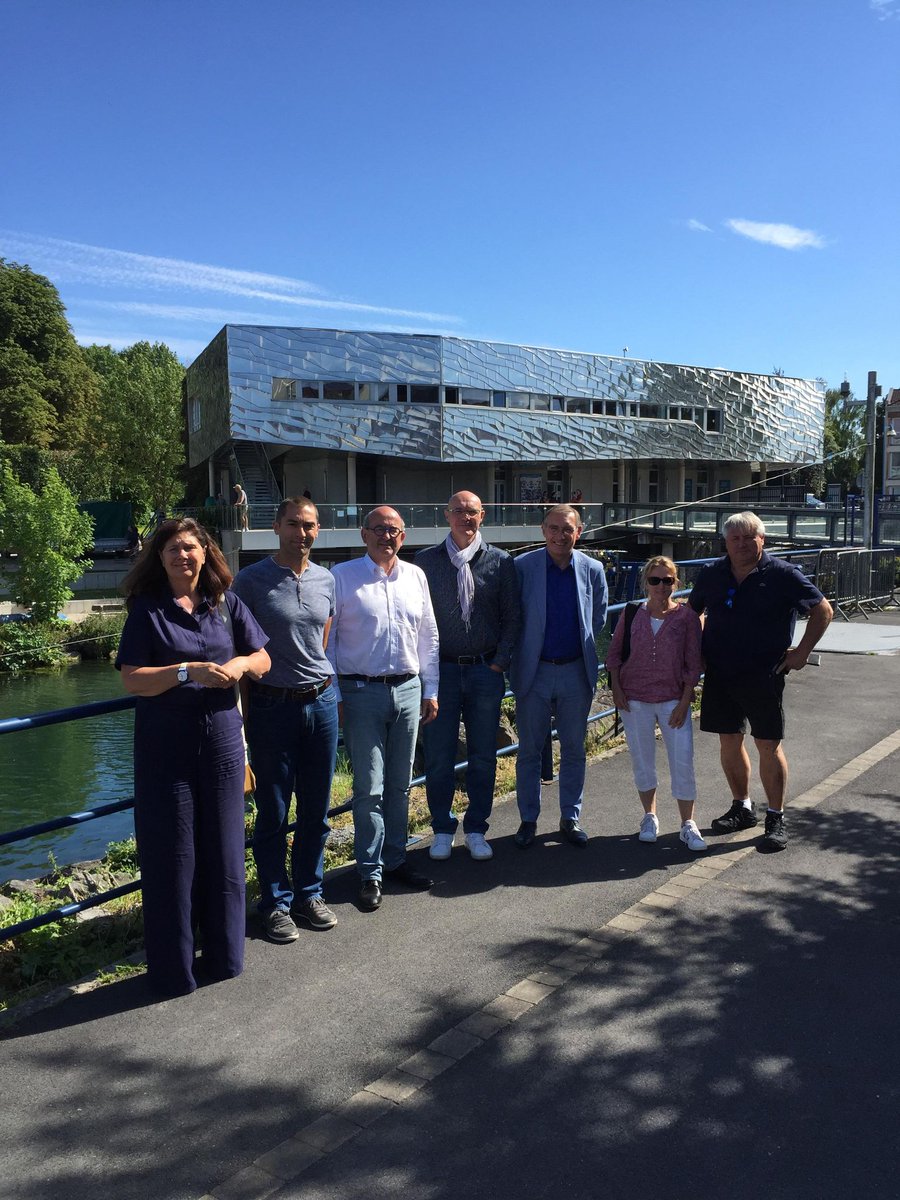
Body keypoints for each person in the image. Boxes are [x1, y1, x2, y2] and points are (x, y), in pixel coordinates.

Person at [115, 518, 270, 996]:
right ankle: (173, 972)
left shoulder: (225, 603)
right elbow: (133, 678)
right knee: (172, 856)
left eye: (190, 548)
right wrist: (187, 672)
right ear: (159, 558)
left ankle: (225, 957)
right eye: (172, 549)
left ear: (206, 553)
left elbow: (263, 658)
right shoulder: (148, 610)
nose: (183, 556)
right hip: (167, 748)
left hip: (223, 741)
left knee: (225, 851)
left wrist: (242, 663)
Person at [689, 511, 833, 851]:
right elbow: (692, 612)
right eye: (734, 538)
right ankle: (742, 807)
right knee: (729, 740)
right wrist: (695, 649)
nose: (740, 544)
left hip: (764, 674)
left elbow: (822, 609)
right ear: (725, 542)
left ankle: (776, 816)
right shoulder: (712, 573)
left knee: (768, 744)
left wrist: (801, 652)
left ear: (761, 539)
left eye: (748, 537)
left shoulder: (782, 574)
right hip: (721, 673)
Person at [231, 499, 339, 944]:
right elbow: (238, 645)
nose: (302, 532)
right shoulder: (251, 580)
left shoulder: (326, 579)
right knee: (274, 811)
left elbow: (322, 638)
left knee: (316, 808)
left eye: (310, 525)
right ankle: (274, 902)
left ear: (318, 530)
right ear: (276, 526)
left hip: (322, 701)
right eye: (293, 523)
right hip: (273, 707)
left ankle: (309, 894)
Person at [327, 506, 440, 911]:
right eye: (378, 529)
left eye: (393, 530)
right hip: (361, 692)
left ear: (403, 537)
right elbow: (330, 642)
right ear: (363, 534)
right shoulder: (342, 577)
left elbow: (428, 634)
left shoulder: (416, 576)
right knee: (368, 788)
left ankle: (395, 859)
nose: (386, 536)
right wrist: (337, 696)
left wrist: (431, 689)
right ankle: (369, 871)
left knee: (400, 784)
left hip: (408, 689)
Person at [415, 491, 521, 861]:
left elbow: (512, 618)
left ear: (483, 516)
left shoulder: (501, 562)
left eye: (472, 512)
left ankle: (476, 826)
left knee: (482, 755)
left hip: (484, 670)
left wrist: (500, 662)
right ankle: (442, 828)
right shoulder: (425, 563)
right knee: (439, 755)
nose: (465, 517)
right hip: (441, 670)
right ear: (446, 516)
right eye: (458, 511)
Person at [511, 504, 608, 847]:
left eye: (567, 529)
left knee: (573, 750)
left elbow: (597, 620)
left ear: (578, 532)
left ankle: (570, 816)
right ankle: (527, 820)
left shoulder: (593, 569)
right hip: (534, 671)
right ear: (543, 530)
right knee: (530, 751)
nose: (559, 535)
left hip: (573, 671)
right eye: (553, 528)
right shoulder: (523, 567)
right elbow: (515, 618)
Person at [606, 556, 706, 851]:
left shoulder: (686, 617)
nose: (661, 586)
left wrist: (685, 700)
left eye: (667, 580)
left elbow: (692, 663)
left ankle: (687, 823)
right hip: (634, 698)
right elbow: (614, 655)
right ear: (646, 583)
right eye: (655, 580)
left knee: (682, 760)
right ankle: (649, 816)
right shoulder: (632, 612)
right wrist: (617, 690)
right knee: (642, 760)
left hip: (672, 698)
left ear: (676, 582)